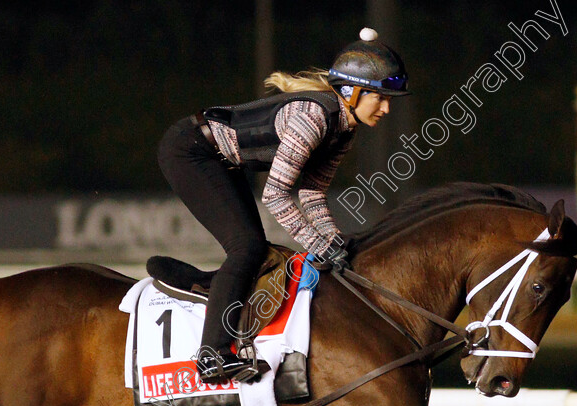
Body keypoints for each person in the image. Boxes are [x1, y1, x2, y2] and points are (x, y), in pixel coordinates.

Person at [156, 27, 410, 384]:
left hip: (222, 159)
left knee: (252, 251)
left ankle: (208, 287)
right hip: (190, 150)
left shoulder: (344, 128)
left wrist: (335, 240)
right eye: (379, 98)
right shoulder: (314, 118)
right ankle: (211, 355)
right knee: (247, 247)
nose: (385, 108)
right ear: (351, 92)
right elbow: (275, 193)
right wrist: (318, 244)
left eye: (389, 100)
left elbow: (311, 192)